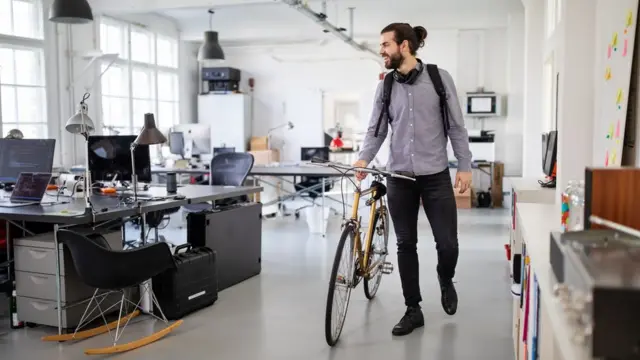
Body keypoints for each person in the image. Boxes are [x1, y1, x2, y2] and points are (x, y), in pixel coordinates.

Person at [354, 23, 472, 336]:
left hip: (435, 176)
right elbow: (376, 129)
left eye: (385, 45)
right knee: (406, 243)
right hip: (398, 176)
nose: (381, 50)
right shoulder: (386, 86)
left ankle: (445, 278)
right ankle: (413, 309)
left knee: (447, 244)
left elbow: (456, 127)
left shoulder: (438, 78)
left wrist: (464, 164)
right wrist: (364, 157)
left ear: (404, 45)